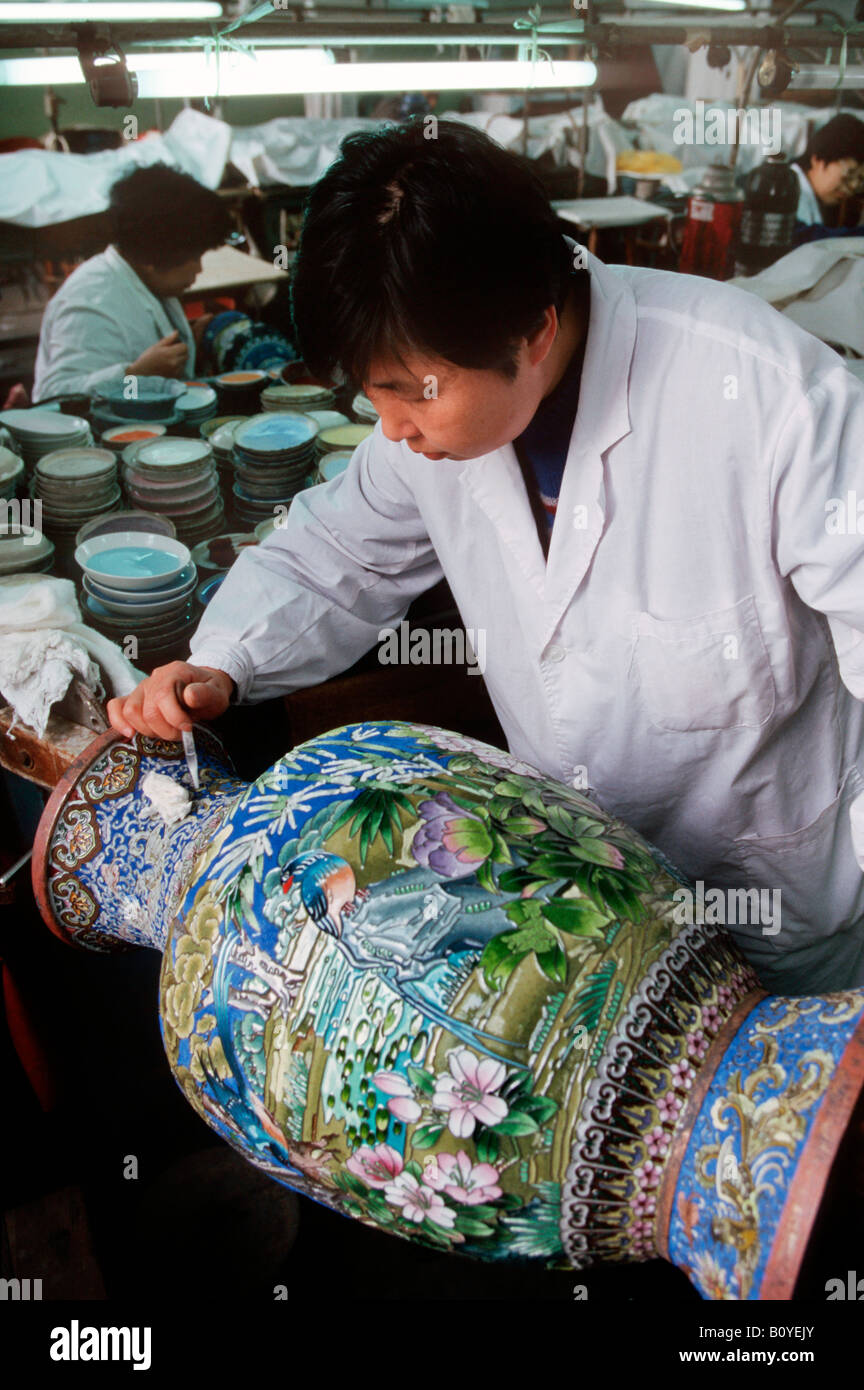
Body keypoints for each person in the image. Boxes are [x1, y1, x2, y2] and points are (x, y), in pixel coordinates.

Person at [108, 118, 864, 996]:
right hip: (580, 919)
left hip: (774, 926)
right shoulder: (428, 421)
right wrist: (223, 662)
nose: (389, 426)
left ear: (533, 332)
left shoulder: (772, 399)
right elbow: (336, 551)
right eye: (369, 392)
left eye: (403, 392)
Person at [32, 164, 231, 402]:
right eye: (194, 257)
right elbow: (52, 398)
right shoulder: (89, 305)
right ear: (152, 256)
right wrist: (136, 375)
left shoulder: (143, 276)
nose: (199, 269)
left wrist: (189, 345)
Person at [791, 112, 864, 239]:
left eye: (860, 179)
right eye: (849, 174)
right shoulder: (789, 192)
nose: (852, 187)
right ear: (818, 160)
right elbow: (806, 238)